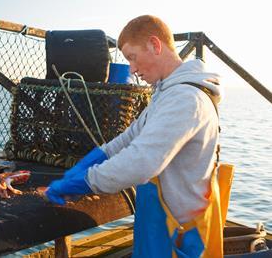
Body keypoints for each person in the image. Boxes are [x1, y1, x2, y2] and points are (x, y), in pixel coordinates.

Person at [46, 15, 224, 257]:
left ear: (155, 45)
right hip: (160, 226)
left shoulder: (185, 99)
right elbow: (130, 138)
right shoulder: (167, 93)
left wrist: (84, 181)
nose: (132, 69)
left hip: (179, 236)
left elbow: (141, 162)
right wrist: (95, 157)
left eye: (133, 57)